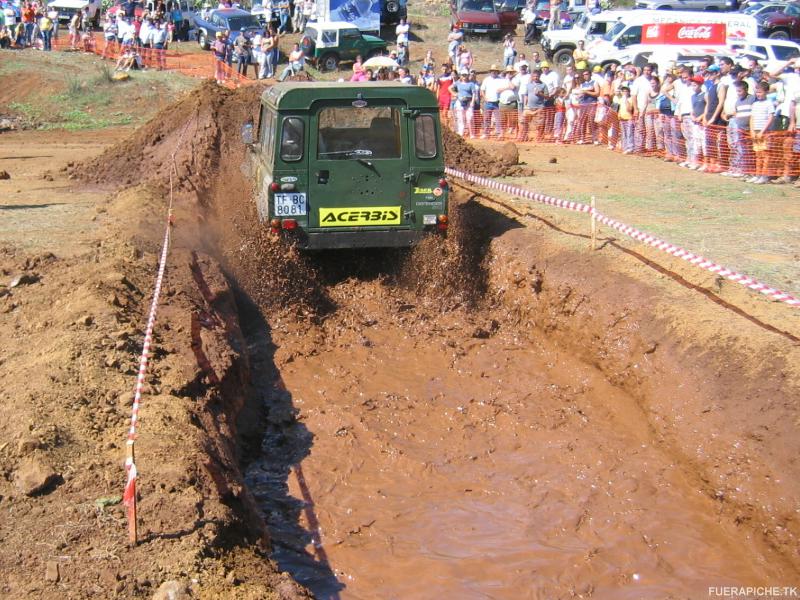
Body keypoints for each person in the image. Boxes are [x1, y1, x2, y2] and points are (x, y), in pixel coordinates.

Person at [747, 80, 775, 184]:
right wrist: (752, 131)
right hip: (756, 131)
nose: (758, 94)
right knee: (758, 155)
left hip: (765, 133)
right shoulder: (755, 104)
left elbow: (770, 118)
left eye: (760, 92)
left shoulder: (769, 104)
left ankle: (764, 175)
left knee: (765, 154)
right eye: (757, 92)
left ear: (766, 92)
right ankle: (758, 174)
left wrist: (762, 131)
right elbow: (752, 118)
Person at [520, 68, 548, 142]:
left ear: (539, 76)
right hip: (529, 107)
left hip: (539, 107)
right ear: (532, 77)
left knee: (540, 124)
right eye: (534, 76)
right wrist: (525, 105)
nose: (536, 78)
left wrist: (540, 93)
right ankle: (524, 136)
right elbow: (526, 95)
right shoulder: (529, 85)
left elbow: (547, 96)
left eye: (537, 76)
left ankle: (539, 137)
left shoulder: (543, 85)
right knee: (524, 121)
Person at [480, 64, 506, 139]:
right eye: (492, 71)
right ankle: (486, 133)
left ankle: (498, 133)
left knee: (498, 119)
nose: (494, 72)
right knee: (486, 118)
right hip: (488, 102)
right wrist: (485, 98)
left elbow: (505, 87)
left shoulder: (501, 79)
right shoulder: (486, 79)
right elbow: (482, 90)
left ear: (497, 72)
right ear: (490, 71)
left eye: (495, 71)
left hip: (497, 102)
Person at [451, 69, 478, 137]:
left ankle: (472, 133)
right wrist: (455, 94)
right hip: (460, 102)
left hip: (468, 102)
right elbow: (450, 88)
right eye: (463, 75)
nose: (464, 76)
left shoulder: (471, 84)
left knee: (470, 118)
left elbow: (474, 93)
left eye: (465, 75)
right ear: (461, 75)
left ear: (468, 75)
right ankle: (461, 133)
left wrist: (472, 102)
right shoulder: (458, 83)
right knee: (460, 118)